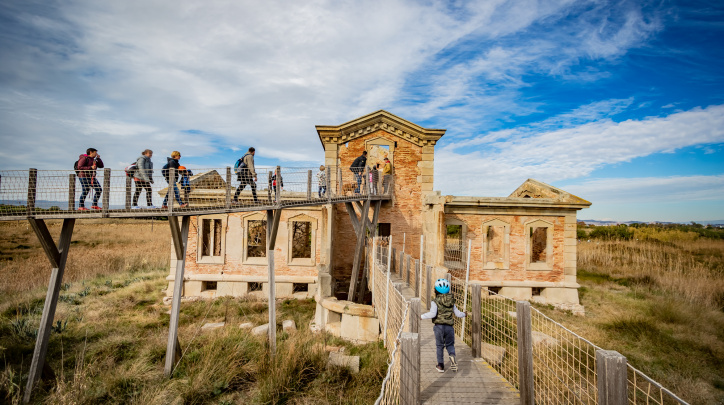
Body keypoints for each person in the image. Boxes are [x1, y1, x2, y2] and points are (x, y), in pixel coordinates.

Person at [421, 278, 467, 373]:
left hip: (439, 327)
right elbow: (458, 314)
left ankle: (440, 366)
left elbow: (433, 314)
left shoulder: (435, 301)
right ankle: (452, 355)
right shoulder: (451, 301)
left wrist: (421, 316)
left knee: (439, 346)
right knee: (450, 345)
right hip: (449, 327)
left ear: (435, 290)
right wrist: (464, 314)